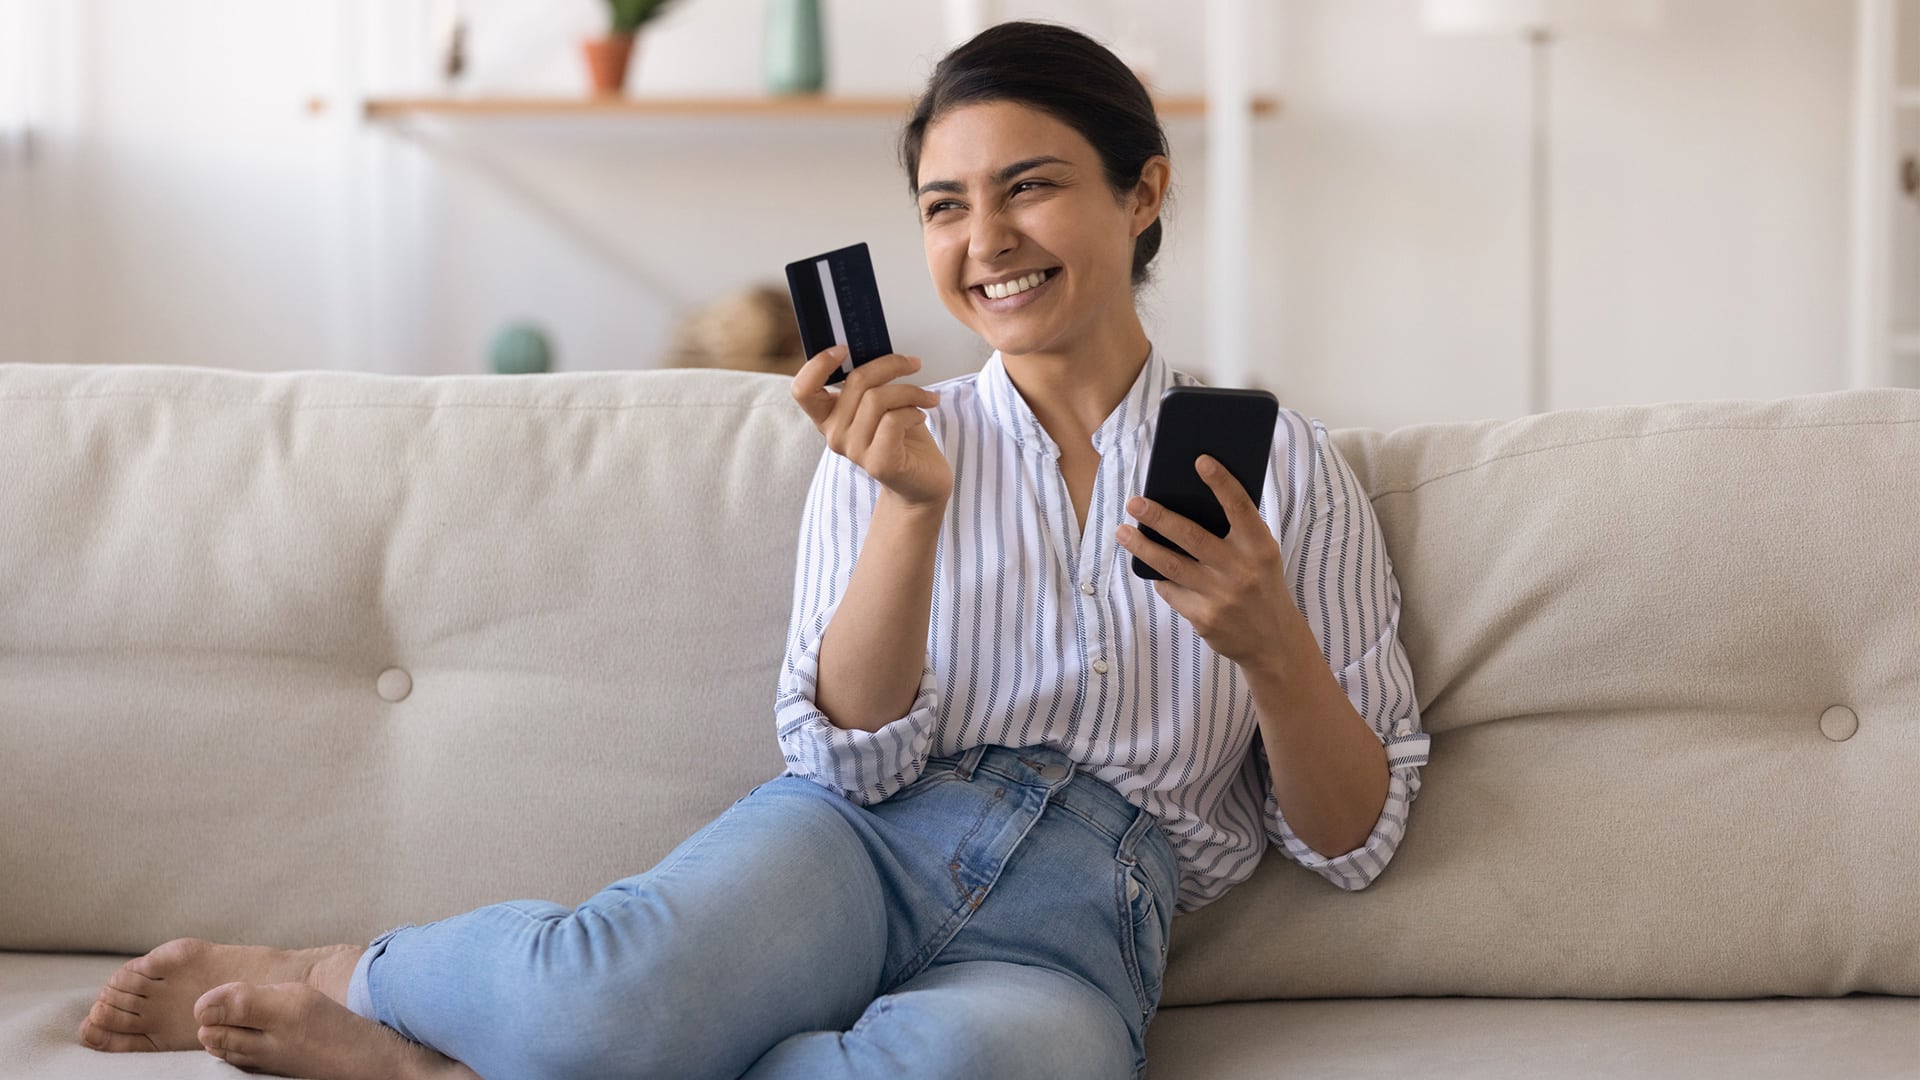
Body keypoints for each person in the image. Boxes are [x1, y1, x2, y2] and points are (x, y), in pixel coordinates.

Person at [75, 20, 1430, 1080]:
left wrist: (1271, 651)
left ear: (1142, 197)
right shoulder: (891, 436)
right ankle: (343, 975)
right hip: (862, 843)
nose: (987, 240)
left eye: (1030, 188)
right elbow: (842, 755)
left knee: (998, 1068)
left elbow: (1353, 841)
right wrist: (908, 511)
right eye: (945, 204)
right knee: (603, 1001)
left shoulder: (1280, 464)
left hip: (1087, 919)